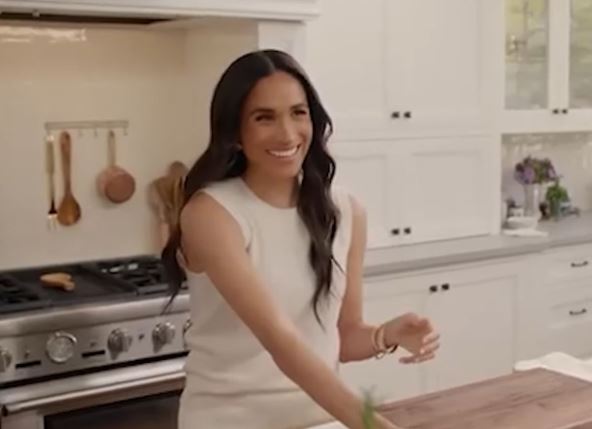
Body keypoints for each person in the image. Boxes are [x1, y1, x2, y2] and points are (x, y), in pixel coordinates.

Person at [162, 49, 440, 429]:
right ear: (235, 132)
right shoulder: (212, 214)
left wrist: (384, 335)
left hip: (320, 422)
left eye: (298, 113)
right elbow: (281, 342)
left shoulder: (346, 211)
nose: (287, 133)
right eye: (264, 118)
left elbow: (343, 337)